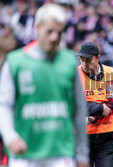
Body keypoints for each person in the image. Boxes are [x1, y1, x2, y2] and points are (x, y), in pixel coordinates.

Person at [0, 4, 89, 167]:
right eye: (50, 31)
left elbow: (79, 109)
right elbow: (4, 105)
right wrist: (10, 136)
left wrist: (82, 154)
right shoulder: (15, 62)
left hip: (61, 153)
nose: (55, 37)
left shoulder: (70, 61)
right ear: (37, 28)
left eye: (59, 32)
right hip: (24, 154)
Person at [77, 41, 113, 167]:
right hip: (82, 139)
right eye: (82, 59)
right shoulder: (75, 75)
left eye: (88, 60)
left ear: (98, 58)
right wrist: (99, 108)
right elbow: (72, 103)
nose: (84, 64)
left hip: (106, 139)